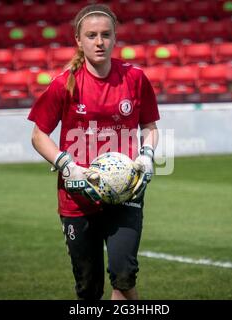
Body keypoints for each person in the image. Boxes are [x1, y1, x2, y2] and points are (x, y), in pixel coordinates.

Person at [28, 3, 159, 300]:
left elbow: (149, 126)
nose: (99, 42)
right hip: (77, 195)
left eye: (105, 34)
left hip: (126, 193)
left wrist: (147, 155)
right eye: (91, 35)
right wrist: (67, 165)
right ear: (78, 40)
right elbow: (38, 135)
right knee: (89, 290)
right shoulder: (64, 85)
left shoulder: (135, 79)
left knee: (124, 276)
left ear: (114, 38)